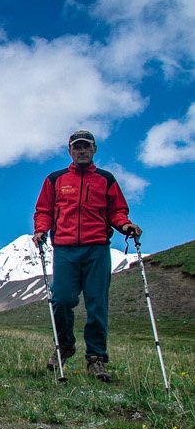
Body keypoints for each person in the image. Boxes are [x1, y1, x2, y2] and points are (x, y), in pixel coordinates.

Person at [33, 130, 141, 383]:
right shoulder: (55, 179)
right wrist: (40, 230)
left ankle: (96, 358)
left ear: (94, 150)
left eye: (86, 147)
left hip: (97, 249)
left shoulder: (106, 179)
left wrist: (125, 226)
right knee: (61, 299)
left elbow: (117, 211)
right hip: (65, 249)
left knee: (97, 305)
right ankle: (65, 345)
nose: (82, 151)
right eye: (77, 147)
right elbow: (44, 210)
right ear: (70, 151)